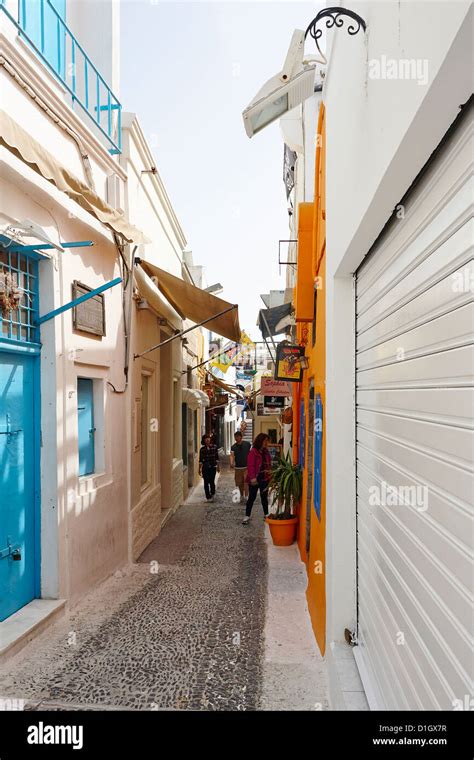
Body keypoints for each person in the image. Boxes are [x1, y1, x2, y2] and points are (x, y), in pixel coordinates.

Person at [242, 433, 271, 525]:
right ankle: (247, 516)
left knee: (264, 498)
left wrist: (270, 476)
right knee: (252, 498)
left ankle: (266, 514)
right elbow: (251, 466)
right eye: (265, 441)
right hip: (255, 479)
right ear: (260, 441)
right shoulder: (253, 451)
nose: (267, 443)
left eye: (267, 441)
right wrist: (253, 478)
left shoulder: (266, 452)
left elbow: (268, 465)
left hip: (264, 479)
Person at [230, 431, 251, 502]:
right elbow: (232, 455)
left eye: (237, 436)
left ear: (241, 437)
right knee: (240, 483)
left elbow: (250, 453)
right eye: (235, 437)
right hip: (238, 467)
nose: (236, 438)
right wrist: (231, 462)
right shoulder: (233, 447)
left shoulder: (247, 444)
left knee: (246, 482)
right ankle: (242, 495)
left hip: (246, 467)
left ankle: (246, 496)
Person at [199, 434, 220, 501]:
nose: (207, 439)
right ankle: (208, 496)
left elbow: (217, 458)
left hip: (213, 467)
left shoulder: (214, 447)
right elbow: (201, 460)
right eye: (206, 438)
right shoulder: (202, 449)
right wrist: (199, 469)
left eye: (208, 438)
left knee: (212, 481)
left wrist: (218, 467)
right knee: (206, 482)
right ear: (204, 440)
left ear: (210, 439)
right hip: (205, 467)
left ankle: (213, 493)